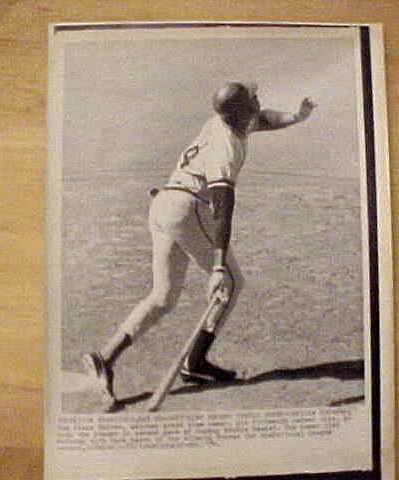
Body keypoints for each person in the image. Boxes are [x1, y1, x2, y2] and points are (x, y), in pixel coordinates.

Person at [83, 82, 316, 411]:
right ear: (241, 110)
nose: (258, 101)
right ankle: (196, 363)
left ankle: (105, 358)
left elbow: (262, 118)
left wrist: (296, 116)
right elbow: (222, 208)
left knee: (163, 296)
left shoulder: (222, 120)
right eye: (252, 99)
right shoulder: (226, 148)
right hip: (186, 209)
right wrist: (218, 267)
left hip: (163, 204)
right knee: (232, 283)